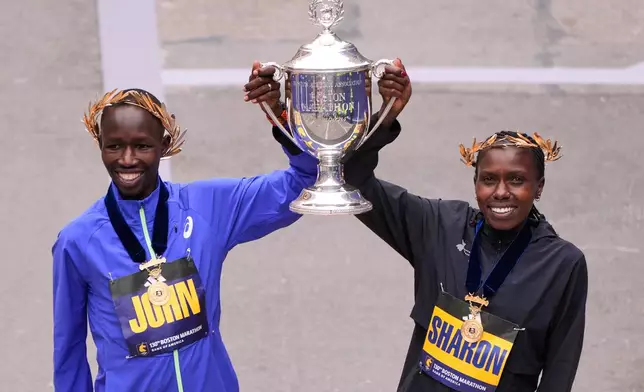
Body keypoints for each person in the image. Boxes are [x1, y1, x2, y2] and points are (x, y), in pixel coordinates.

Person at [247, 59, 588, 392]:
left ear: (539, 187)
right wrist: (386, 115)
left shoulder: (562, 264)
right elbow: (352, 179)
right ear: (475, 184)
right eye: (489, 179)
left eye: (517, 180)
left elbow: (560, 369)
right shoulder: (440, 226)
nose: (501, 192)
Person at [52, 87, 318, 391]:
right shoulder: (78, 241)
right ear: (100, 144)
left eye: (142, 146)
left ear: (164, 145)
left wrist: (279, 112)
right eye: (114, 146)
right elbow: (68, 349)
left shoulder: (208, 206)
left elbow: (302, 184)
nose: (127, 160)